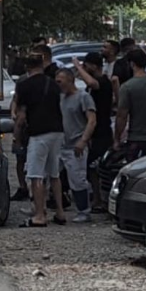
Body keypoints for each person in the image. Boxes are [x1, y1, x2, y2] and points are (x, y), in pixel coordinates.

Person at [15, 52, 67, 227]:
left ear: (27, 67)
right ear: (42, 65)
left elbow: (21, 116)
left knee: (36, 175)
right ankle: (60, 212)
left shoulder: (24, 86)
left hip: (39, 133)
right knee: (54, 174)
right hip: (57, 131)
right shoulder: (53, 84)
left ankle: (39, 214)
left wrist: (17, 136)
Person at [72, 52, 113, 212]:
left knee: (97, 167)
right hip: (94, 131)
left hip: (101, 130)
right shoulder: (92, 84)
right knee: (91, 167)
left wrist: (77, 65)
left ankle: (100, 199)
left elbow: (92, 82)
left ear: (95, 66)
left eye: (87, 65)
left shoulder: (103, 82)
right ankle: (96, 197)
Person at [56, 69, 97, 223]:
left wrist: (84, 140)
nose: (58, 84)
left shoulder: (83, 97)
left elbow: (92, 120)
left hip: (76, 145)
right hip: (60, 144)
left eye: (60, 81)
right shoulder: (60, 98)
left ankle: (84, 211)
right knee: (50, 175)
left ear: (70, 80)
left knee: (78, 179)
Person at [114, 49, 146, 162]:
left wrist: (117, 139)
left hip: (137, 139)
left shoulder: (127, 87)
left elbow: (121, 116)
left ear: (132, 64)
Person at [112, 37, 137, 104]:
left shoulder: (120, 63)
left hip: (125, 96)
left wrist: (118, 100)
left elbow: (114, 80)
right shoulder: (140, 61)